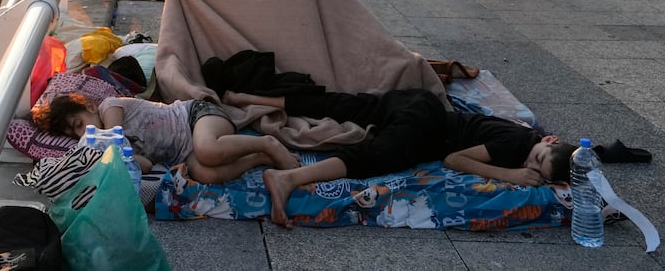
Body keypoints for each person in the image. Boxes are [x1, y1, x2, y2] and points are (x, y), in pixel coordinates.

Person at [224, 88, 576, 228]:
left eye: (536, 169)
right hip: (426, 121)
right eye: (537, 156)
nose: (529, 165)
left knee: (343, 105)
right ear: (547, 139)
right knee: (379, 156)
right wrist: (511, 176)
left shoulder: (526, 141)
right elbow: (456, 160)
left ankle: (247, 96)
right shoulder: (515, 142)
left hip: (416, 108)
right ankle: (288, 178)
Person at [32, 92, 300, 184]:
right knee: (204, 173)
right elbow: (145, 166)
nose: (82, 134)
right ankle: (258, 157)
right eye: (75, 134)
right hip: (186, 153)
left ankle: (267, 142)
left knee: (207, 150)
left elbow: (112, 136)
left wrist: (94, 151)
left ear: (89, 107)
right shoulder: (116, 146)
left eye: (79, 125)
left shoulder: (110, 107)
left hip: (196, 116)